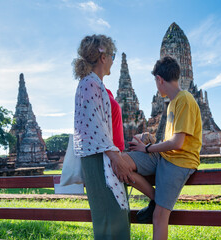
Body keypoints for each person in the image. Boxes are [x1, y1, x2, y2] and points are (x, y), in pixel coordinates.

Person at [123, 56, 203, 240]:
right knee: (121, 163)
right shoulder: (173, 102)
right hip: (164, 157)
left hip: (180, 162)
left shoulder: (184, 99)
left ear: (159, 79)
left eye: (155, 82)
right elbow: (170, 140)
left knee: (159, 217)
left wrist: (147, 148)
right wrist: (148, 140)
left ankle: (157, 202)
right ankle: (156, 197)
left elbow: (177, 143)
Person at [72, 34, 135, 240]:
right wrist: (117, 158)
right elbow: (95, 129)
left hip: (108, 155)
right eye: (112, 55)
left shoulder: (96, 84)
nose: (113, 61)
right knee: (110, 219)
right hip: (101, 158)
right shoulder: (89, 84)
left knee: (117, 216)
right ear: (103, 57)